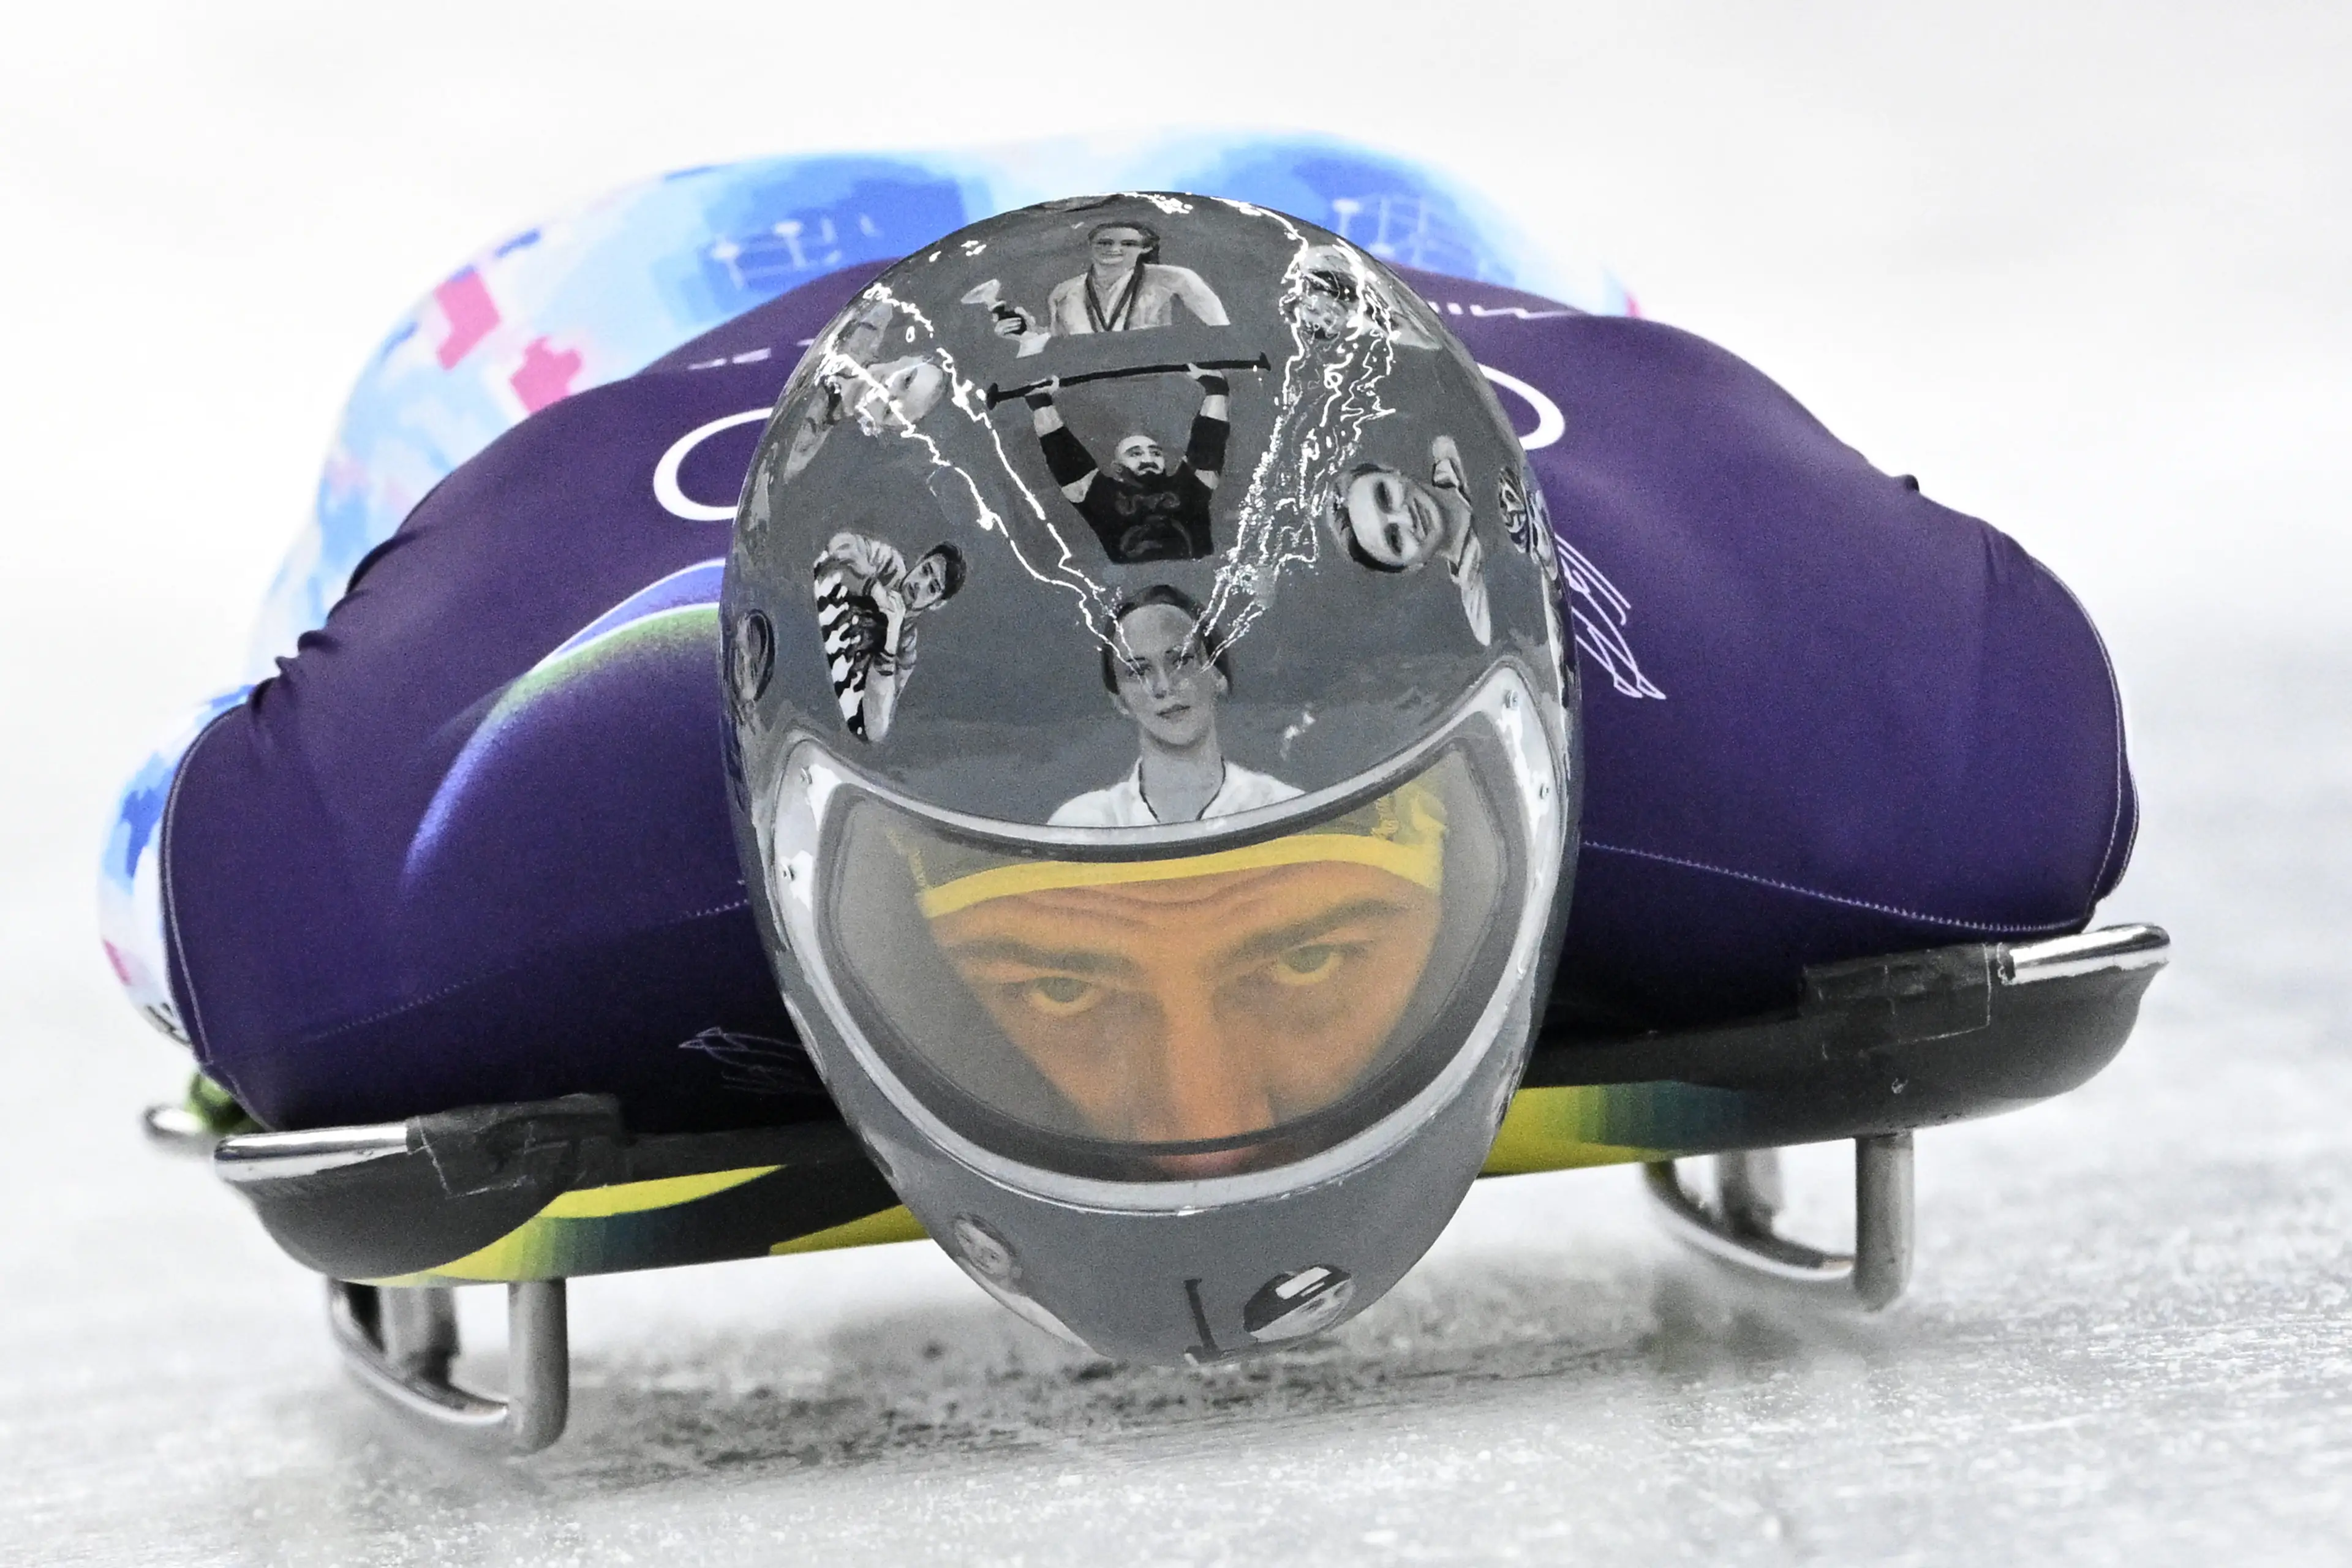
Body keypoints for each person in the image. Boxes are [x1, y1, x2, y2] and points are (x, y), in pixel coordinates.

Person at [1049, 586, 1300, 826]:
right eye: (1138, 671)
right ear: (1119, 700)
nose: (1164, 686)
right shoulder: (1083, 827)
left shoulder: (1283, 809)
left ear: (1218, 676)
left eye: (1181, 660)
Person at [1026, 369, 1229, 563]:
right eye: (1136, 454)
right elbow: (1063, 455)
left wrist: (1216, 390)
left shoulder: (1187, 489)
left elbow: (1208, 445)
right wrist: (1041, 403)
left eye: (1156, 453)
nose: (1149, 459)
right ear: (1117, 468)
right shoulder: (1101, 496)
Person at [1336, 435, 1493, 644]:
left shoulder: (1450, 446)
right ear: (1412, 567)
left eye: (1385, 495)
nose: (1406, 518)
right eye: (1395, 540)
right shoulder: (1484, 616)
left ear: (1392, 471)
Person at [813, 532, 966, 742]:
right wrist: (874, 590)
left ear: (938, 603)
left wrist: (891, 640)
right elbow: (838, 544)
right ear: (920, 561)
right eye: (925, 571)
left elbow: (876, 728)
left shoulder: (906, 649)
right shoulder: (889, 565)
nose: (919, 585)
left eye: (932, 589)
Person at [1001, 219, 1231, 356]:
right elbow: (1061, 350)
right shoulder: (1064, 292)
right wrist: (1028, 336)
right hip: (1090, 391)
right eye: (1105, 242)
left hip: (1163, 383)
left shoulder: (1178, 280)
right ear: (1090, 245)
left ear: (1145, 248)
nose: (1114, 249)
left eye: (1128, 244)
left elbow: (1223, 335)